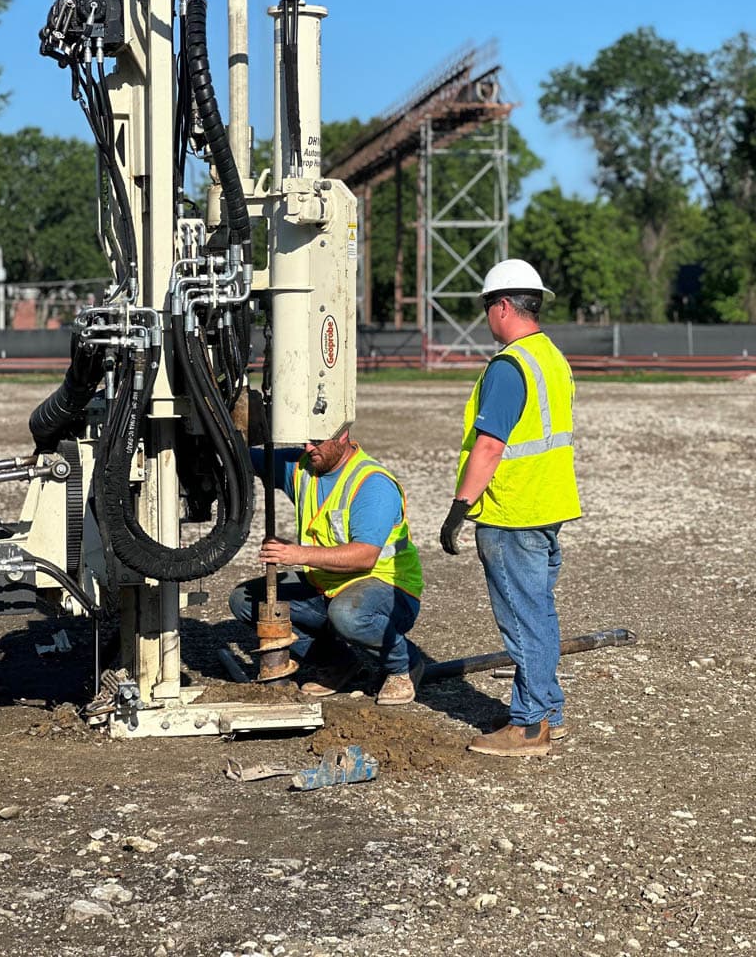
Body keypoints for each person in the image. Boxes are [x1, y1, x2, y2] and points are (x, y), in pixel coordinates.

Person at [439, 259, 581, 757]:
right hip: (549, 503)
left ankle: (529, 726)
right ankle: (548, 710)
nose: (486, 317)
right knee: (538, 610)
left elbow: (490, 446)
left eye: (486, 307)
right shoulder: (551, 357)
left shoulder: (509, 366)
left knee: (524, 618)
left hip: (512, 509)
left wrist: (461, 506)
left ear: (502, 306)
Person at [230, 426, 425, 705]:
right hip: (327, 584)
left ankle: (402, 665)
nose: (309, 447)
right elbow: (244, 457)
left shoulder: (371, 483)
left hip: (389, 589)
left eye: (318, 441)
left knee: (347, 614)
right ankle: (338, 663)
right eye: (305, 440)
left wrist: (298, 554)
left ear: (343, 436)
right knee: (246, 601)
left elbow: (365, 556)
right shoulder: (304, 468)